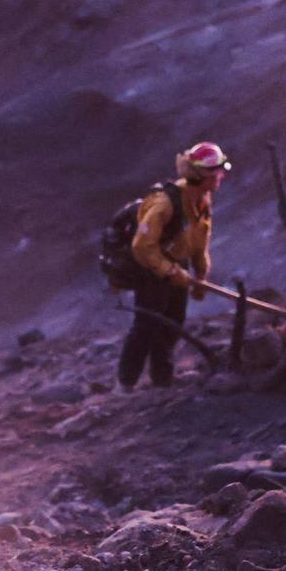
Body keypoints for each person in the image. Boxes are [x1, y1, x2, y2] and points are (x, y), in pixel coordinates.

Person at [117, 141, 228, 389]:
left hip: (179, 267)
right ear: (200, 176)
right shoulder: (165, 204)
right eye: (215, 173)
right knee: (146, 324)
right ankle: (125, 384)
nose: (220, 177)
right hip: (151, 268)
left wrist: (200, 275)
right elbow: (142, 245)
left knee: (173, 324)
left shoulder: (202, 202)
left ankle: (162, 380)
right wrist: (167, 271)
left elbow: (199, 242)